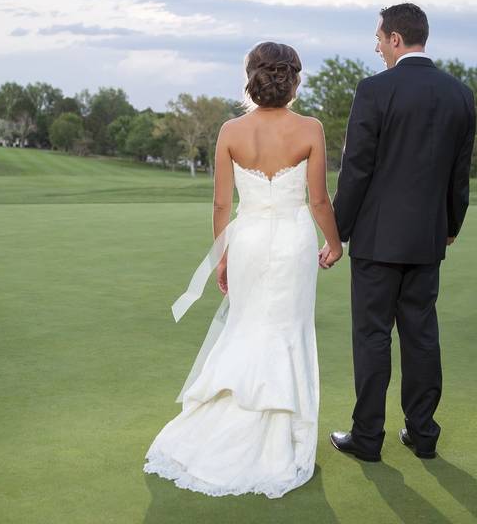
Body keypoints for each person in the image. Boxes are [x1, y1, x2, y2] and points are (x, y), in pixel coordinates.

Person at [143, 41, 344, 499]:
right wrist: (335, 243)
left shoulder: (231, 131)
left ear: (252, 76)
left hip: (248, 240)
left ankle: (230, 425)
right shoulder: (310, 128)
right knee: (287, 330)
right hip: (293, 241)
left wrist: (223, 254)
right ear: (293, 79)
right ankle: (278, 438)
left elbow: (221, 202)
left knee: (248, 326)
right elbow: (317, 200)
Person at [325, 3, 476, 462]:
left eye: (378, 37)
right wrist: (450, 226)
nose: (375, 45)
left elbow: (356, 169)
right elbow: (459, 174)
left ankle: (368, 438)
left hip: (375, 240)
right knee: (421, 335)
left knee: (372, 337)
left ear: (395, 39)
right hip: (427, 240)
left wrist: (338, 231)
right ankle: (423, 434)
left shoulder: (374, 90)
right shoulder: (460, 94)